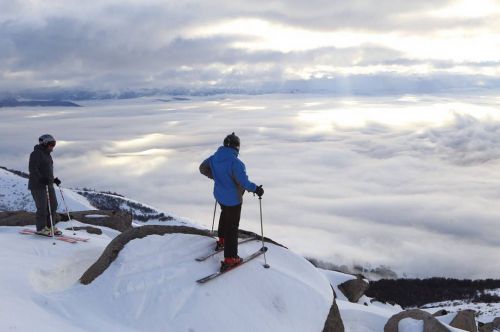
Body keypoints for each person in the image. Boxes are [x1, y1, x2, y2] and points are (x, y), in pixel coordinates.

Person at [200, 132, 264, 271]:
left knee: (224, 215)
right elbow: (244, 182)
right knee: (232, 228)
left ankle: (221, 240)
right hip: (233, 200)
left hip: (220, 195)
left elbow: (202, 168)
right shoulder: (236, 163)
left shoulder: (214, 157)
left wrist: (216, 177)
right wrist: (256, 189)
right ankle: (230, 258)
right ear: (237, 147)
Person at [28, 134, 62, 236]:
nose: (53, 146)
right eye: (51, 144)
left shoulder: (47, 154)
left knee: (53, 205)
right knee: (42, 207)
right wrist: (41, 179)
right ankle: (41, 228)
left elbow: (46, 170)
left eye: (54, 144)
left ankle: (50, 225)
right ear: (44, 143)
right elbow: (33, 169)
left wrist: (53, 179)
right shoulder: (36, 154)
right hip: (38, 185)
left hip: (48, 184)